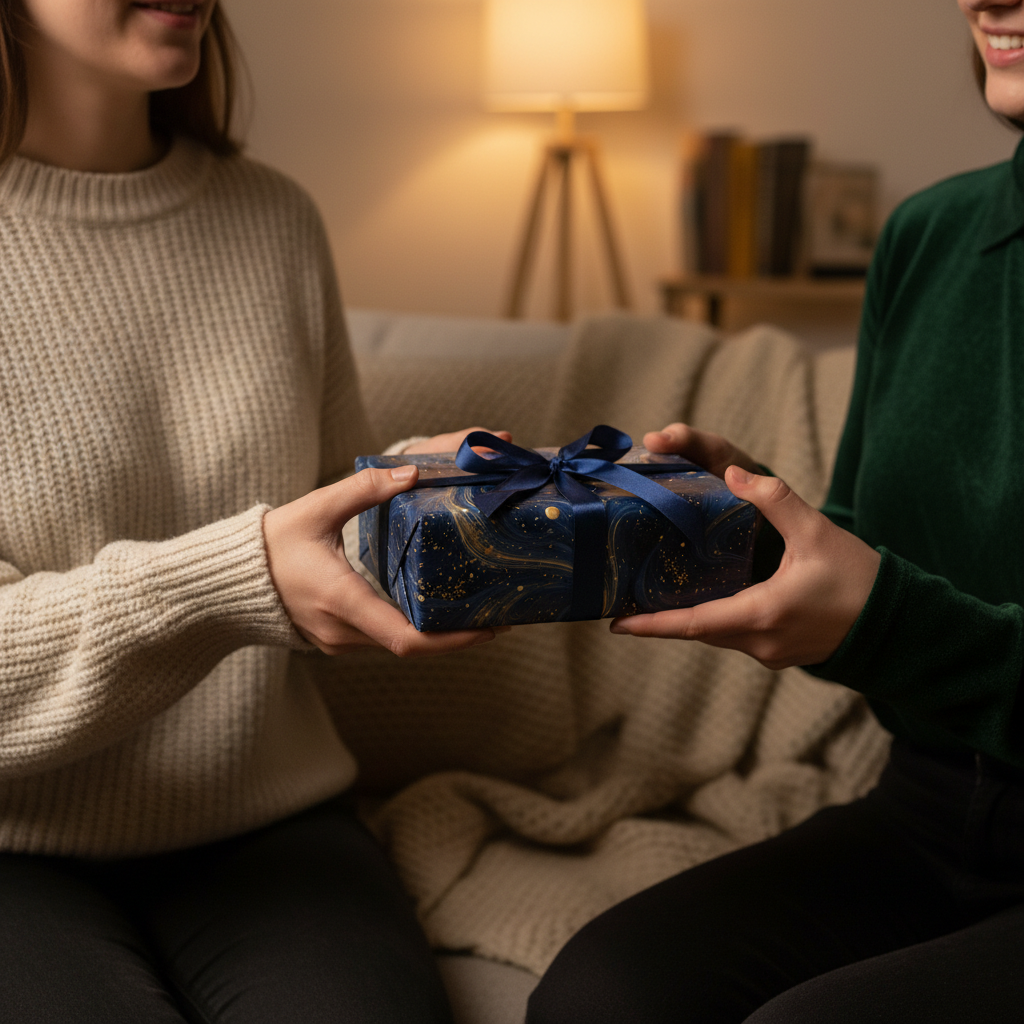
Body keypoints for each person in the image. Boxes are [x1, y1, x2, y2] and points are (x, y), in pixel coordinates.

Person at [0, 2, 507, 1021]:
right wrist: (234, 576)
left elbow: (314, 531)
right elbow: (260, 563)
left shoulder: (274, 218)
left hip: (264, 816)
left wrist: (421, 493)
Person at [526, 1, 1024, 1022]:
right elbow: (877, 568)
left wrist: (881, 615)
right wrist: (751, 524)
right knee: (598, 999)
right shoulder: (930, 236)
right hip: (926, 812)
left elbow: (892, 614)